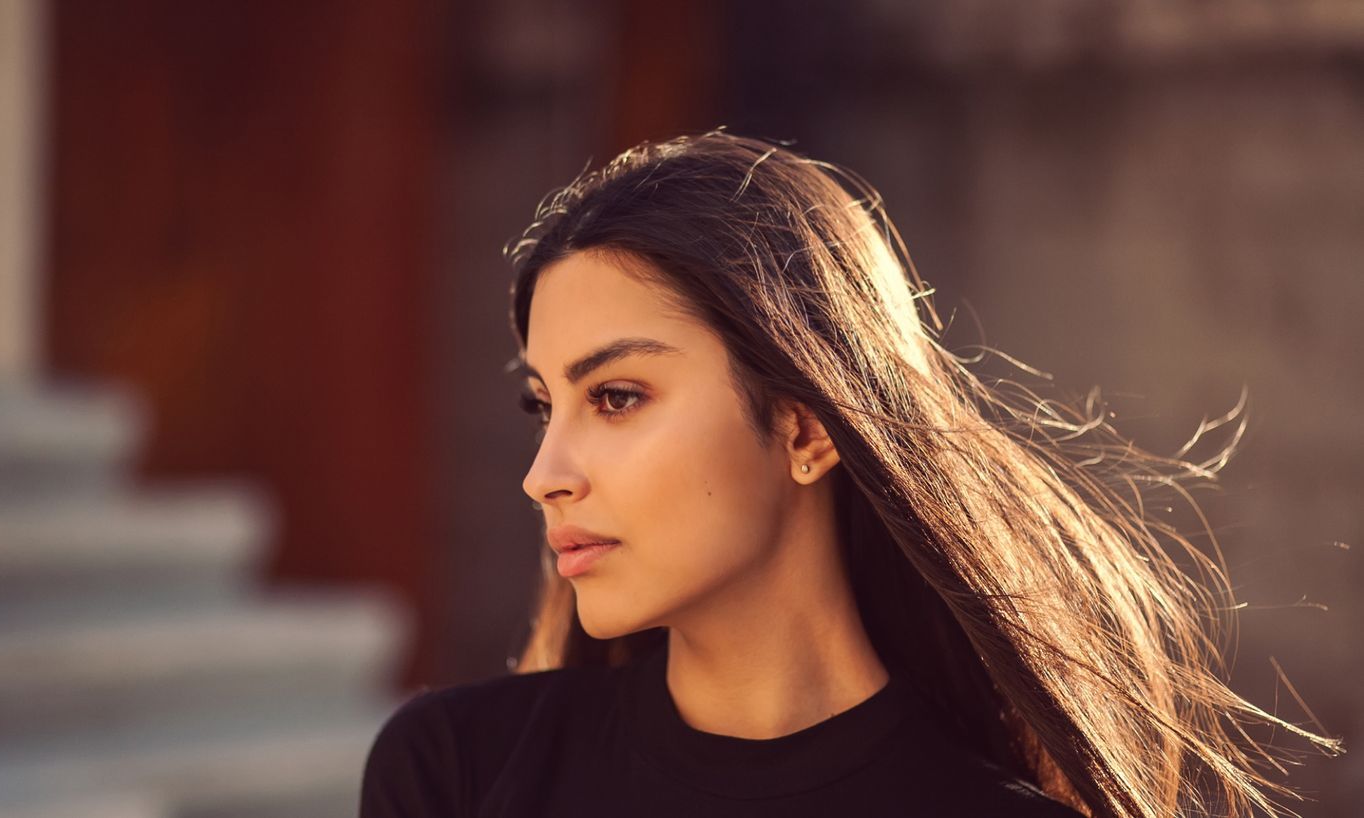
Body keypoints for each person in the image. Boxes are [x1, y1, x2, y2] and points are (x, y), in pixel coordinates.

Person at [359, 130, 1340, 817]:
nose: (543, 474)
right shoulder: (458, 771)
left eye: (615, 396)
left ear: (805, 424)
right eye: (543, 404)